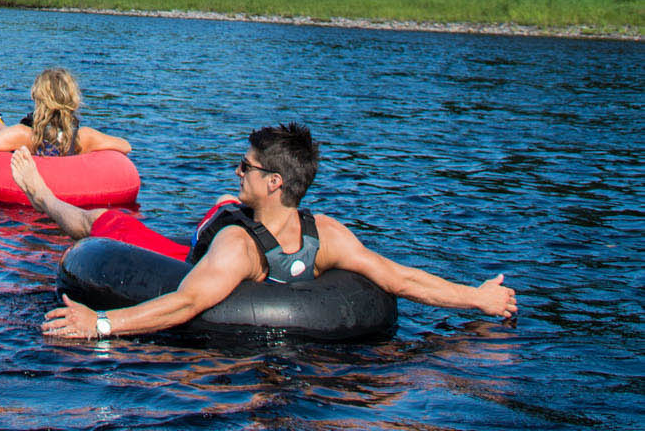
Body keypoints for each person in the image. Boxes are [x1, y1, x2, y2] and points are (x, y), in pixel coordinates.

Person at [40, 122, 518, 342]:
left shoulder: (251, 244)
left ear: (273, 182)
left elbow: (186, 303)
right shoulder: (296, 236)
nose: (236, 172)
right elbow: (399, 278)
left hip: (233, 333)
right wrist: (476, 298)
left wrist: (98, 326)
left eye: (244, 167)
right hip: (209, 251)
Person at [0, 66, 132, 160]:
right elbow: (126, 146)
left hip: (20, 143)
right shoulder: (84, 137)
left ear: (38, 100)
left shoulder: (24, 135)